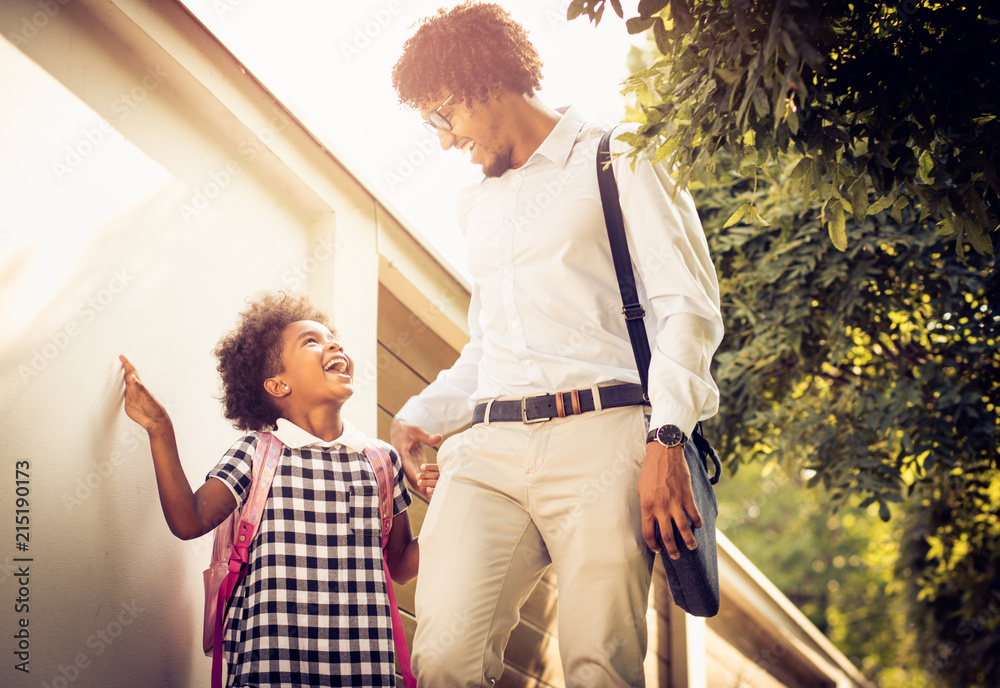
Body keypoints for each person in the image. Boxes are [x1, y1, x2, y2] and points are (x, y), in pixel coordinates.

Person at [388, 3, 724, 687]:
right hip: (489, 450)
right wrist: (422, 410)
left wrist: (665, 437)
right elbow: (490, 340)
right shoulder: (475, 205)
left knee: (600, 666)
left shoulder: (621, 157)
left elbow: (686, 310)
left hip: (604, 440)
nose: (446, 140)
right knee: (444, 657)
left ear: (484, 80)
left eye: (444, 115)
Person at [120, 291, 436, 687]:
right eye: (311, 341)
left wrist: (450, 505)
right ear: (278, 384)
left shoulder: (381, 461)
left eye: (332, 339)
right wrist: (160, 430)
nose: (333, 344)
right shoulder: (257, 454)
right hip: (270, 673)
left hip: (365, 673)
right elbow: (189, 519)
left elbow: (402, 566)